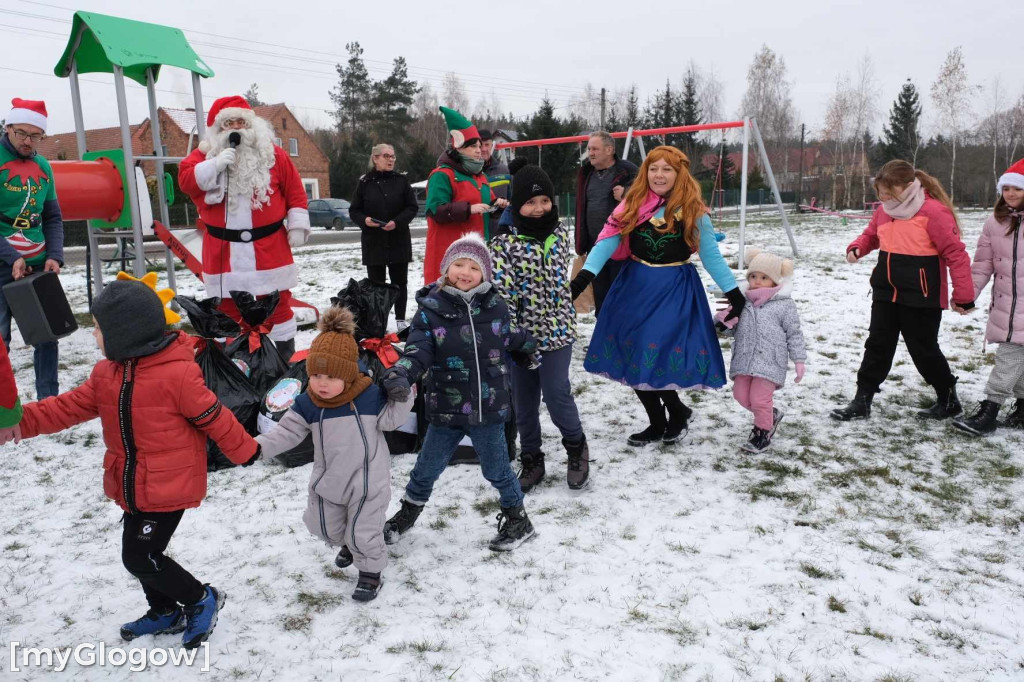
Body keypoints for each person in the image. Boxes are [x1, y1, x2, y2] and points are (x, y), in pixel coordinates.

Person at [5, 279, 259, 648]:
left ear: (126, 333)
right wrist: (18, 422)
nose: (94, 335)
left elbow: (215, 417)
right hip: (133, 483)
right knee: (142, 556)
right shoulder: (107, 375)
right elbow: (64, 408)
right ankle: (164, 611)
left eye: (98, 328)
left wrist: (246, 451)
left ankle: (201, 599)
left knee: (140, 557)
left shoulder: (177, 374)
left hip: (170, 485)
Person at [570, 145, 745, 446]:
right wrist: (583, 277)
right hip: (634, 287)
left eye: (667, 169)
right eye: (653, 168)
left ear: (679, 174)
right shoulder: (632, 203)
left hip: (674, 290)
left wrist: (735, 294)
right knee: (633, 352)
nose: (659, 174)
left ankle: (675, 413)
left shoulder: (692, 210)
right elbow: (607, 241)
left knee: (654, 352)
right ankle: (661, 420)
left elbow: (711, 257)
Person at [381, 233, 539, 551]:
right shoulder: (430, 311)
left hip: (488, 409)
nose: (465, 273)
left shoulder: (495, 306)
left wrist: (527, 347)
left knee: (497, 470)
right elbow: (418, 351)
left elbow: (509, 335)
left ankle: (519, 520)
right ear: (446, 268)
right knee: (425, 468)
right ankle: (406, 515)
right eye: (458, 264)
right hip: (446, 410)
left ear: (484, 275)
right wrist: (401, 373)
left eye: (473, 267)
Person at [256, 305, 415, 601]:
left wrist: (404, 393)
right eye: (315, 374)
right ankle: (349, 544)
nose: (322, 383)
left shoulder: (369, 396)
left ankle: (370, 573)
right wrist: (258, 448)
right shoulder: (309, 403)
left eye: (330, 376)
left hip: (368, 480)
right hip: (330, 479)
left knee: (363, 530)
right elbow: (287, 432)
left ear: (347, 373)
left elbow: (393, 420)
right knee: (322, 526)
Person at [831, 160, 974, 421]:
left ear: (908, 186)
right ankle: (862, 399)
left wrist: (963, 295)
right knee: (877, 344)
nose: (883, 197)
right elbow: (872, 235)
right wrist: (858, 246)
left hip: (922, 295)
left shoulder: (933, 211)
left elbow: (956, 253)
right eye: (880, 192)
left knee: (923, 349)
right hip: (886, 290)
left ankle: (948, 398)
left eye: (888, 191)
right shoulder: (885, 211)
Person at [179, 95, 310, 362]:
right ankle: (235, 366)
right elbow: (186, 180)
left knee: (278, 304)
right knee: (228, 308)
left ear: (252, 126)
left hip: (270, 248)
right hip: (224, 252)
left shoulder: (274, 155)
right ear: (218, 129)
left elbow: (295, 190)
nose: (236, 128)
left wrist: (297, 224)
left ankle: (283, 360)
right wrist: (214, 165)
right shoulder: (204, 155)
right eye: (229, 123)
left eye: (242, 121)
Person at [490, 164, 589, 490]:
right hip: (522, 337)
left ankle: (576, 447)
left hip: (559, 332)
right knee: (524, 402)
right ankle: (531, 459)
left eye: (544, 201)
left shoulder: (560, 234)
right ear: (517, 206)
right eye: (530, 203)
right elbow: (503, 296)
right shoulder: (504, 246)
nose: (538, 208)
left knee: (557, 393)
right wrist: (516, 340)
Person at [952, 160, 1024, 435]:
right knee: (1013, 356)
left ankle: (989, 412)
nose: (1010, 193)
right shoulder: (995, 222)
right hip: (1007, 306)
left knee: (1012, 359)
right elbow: (983, 264)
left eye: (1016, 188)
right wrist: (966, 295)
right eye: (1005, 188)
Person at [0, 98, 64, 399]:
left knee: (47, 336)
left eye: (35, 136)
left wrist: (54, 255)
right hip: (3, 264)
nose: (28, 141)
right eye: (21, 133)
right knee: (1, 341)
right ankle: (3, 405)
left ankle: (48, 400)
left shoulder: (43, 166)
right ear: (8, 127)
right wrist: (13, 257)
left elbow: (52, 216)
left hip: (38, 265)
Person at [715, 249, 807, 452]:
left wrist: (799, 360)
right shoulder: (742, 302)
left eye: (763, 277)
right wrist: (722, 321)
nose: (757, 281)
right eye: (753, 276)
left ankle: (762, 433)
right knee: (741, 396)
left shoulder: (784, 305)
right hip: (744, 359)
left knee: (759, 399)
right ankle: (769, 414)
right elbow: (731, 330)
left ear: (774, 281)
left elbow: (794, 333)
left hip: (770, 360)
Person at [423, 107, 509, 282]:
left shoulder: (481, 177)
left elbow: (486, 205)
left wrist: (497, 205)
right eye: (473, 146)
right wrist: (469, 209)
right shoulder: (442, 175)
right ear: (459, 148)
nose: (479, 150)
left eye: (480, 146)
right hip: (448, 254)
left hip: (475, 254)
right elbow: (435, 210)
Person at [348, 143, 418, 331]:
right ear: (375, 158)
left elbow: (412, 207)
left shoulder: (402, 181)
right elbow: (354, 210)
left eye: (393, 156)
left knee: (400, 283)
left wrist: (397, 222)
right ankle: (378, 323)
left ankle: (401, 321)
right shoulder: (364, 183)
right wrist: (365, 220)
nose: (390, 160)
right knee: (376, 286)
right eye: (386, 156)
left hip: (398, 239)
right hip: (374, 242)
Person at [574, 131, 638, 316]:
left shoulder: (627, 170)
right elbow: (581, 207)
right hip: (594, 245)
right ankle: (604, 337)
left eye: (595, 148)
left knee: (622, 294)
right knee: (601, 296)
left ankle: (624, 337)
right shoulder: (586, 173)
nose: (591, 153)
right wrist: (581, 241)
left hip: (623, 246)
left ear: (609, 150)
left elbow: (647, 196)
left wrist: (626, 193)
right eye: (589, 149)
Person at [480, 130, 511, 201]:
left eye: (487, 145)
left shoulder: (504, 170)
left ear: (491, 146)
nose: (484, 149)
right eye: (480, 145)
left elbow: (511, 199)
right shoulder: (468, 172)